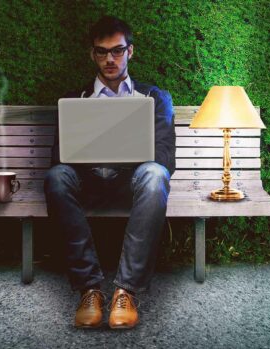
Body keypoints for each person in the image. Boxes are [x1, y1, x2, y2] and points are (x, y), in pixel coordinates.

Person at [44, 15, 176, 329]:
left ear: (131, 51)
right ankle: (90, 289)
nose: (109, 59)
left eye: (117, 51)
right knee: (56, 177)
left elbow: (166, 157)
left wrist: (127, 152)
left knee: (156, 175)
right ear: (92, 54)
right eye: (102, 52)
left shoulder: (155, 98)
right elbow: (58, 157)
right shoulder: (76, 99)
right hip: (87, 180)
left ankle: (125, 291)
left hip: (132, 182)